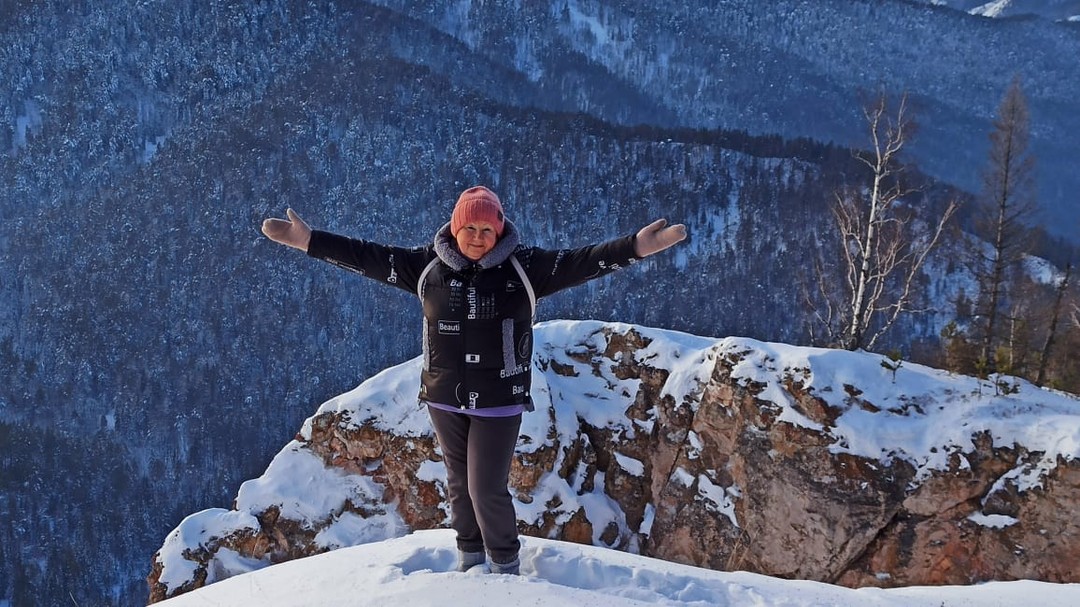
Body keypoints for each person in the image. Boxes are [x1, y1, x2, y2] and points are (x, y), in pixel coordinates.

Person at [261, 185, 686, 575]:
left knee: (486, 488)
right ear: (455, 226)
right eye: (470, 227)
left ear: (500, 231)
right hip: (445, 396)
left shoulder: (526, 269)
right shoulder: (425, 266)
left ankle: (504, 566)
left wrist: (635, 247)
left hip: (500, 398)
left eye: (488, 228)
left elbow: (583, 261)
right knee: (458, 484)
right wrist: (310, 241)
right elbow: (367, 257)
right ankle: (470, 563)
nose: (479, 236)